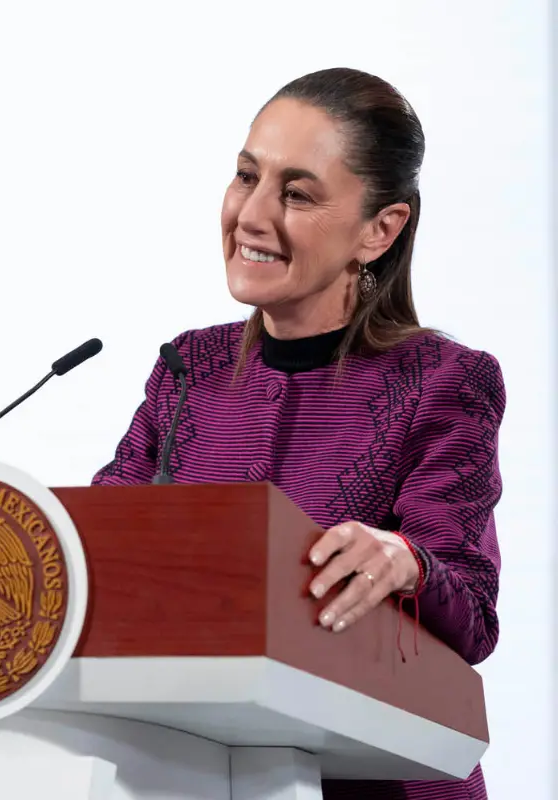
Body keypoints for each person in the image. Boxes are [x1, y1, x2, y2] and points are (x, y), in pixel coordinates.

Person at [92, 67, 504, 800]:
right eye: (245, 176)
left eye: (296, 193)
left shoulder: (444, 381)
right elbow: (105, 546)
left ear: (381, 230)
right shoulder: (189, 370)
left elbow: (471, 613)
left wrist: (405, 559)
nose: (251, 214)